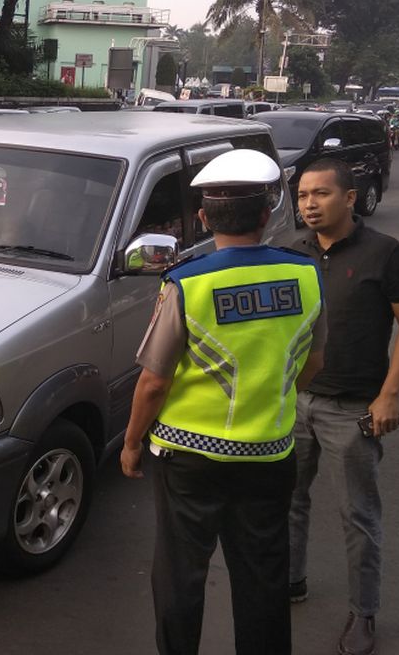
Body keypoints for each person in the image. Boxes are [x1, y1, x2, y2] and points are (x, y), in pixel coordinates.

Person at [120, 149, 326, 655]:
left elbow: (153, 382)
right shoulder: (305, 275)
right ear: (265, 215)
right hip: (270, 454)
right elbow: (315, 361)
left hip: (189, 459)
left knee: (180, 577)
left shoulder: (187, 282)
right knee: (263, 576)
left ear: (204, 219)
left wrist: (129, 443)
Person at [289, 159, 399, 655]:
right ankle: (291, 579)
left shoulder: (386, 254)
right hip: (295, 401)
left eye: (321, 194)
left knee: (358, 516)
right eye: (303, 195)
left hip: (353, 408)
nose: (309, 204)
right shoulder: (289, 252)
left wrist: (390, 393)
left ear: (350, 198)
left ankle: (363, 612)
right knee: (288, 500)